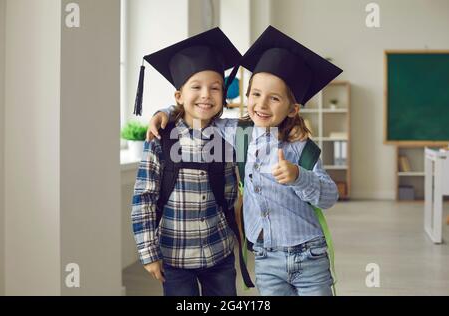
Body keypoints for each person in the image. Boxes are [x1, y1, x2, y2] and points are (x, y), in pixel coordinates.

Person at [147, 25, 342, 296]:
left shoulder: (300, 146)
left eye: (274, 98)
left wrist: (299, 175)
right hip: (265, 258)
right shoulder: (238, 133)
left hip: (309, 254)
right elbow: (201, 111)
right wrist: (165, 112)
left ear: (293, 108)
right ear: (247, 96)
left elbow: (329, 197)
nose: (262, 105)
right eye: (256, 94)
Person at [130, 27, 254, 296]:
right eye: (196, 87)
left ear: (224, 95)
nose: (206, 95)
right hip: (174, 256)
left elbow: (231, 192)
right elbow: (143, 198)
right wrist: (148, 252)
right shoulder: (161, 139)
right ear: (179, 96)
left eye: (215, 88)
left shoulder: (228, 136)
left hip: (218, 251)